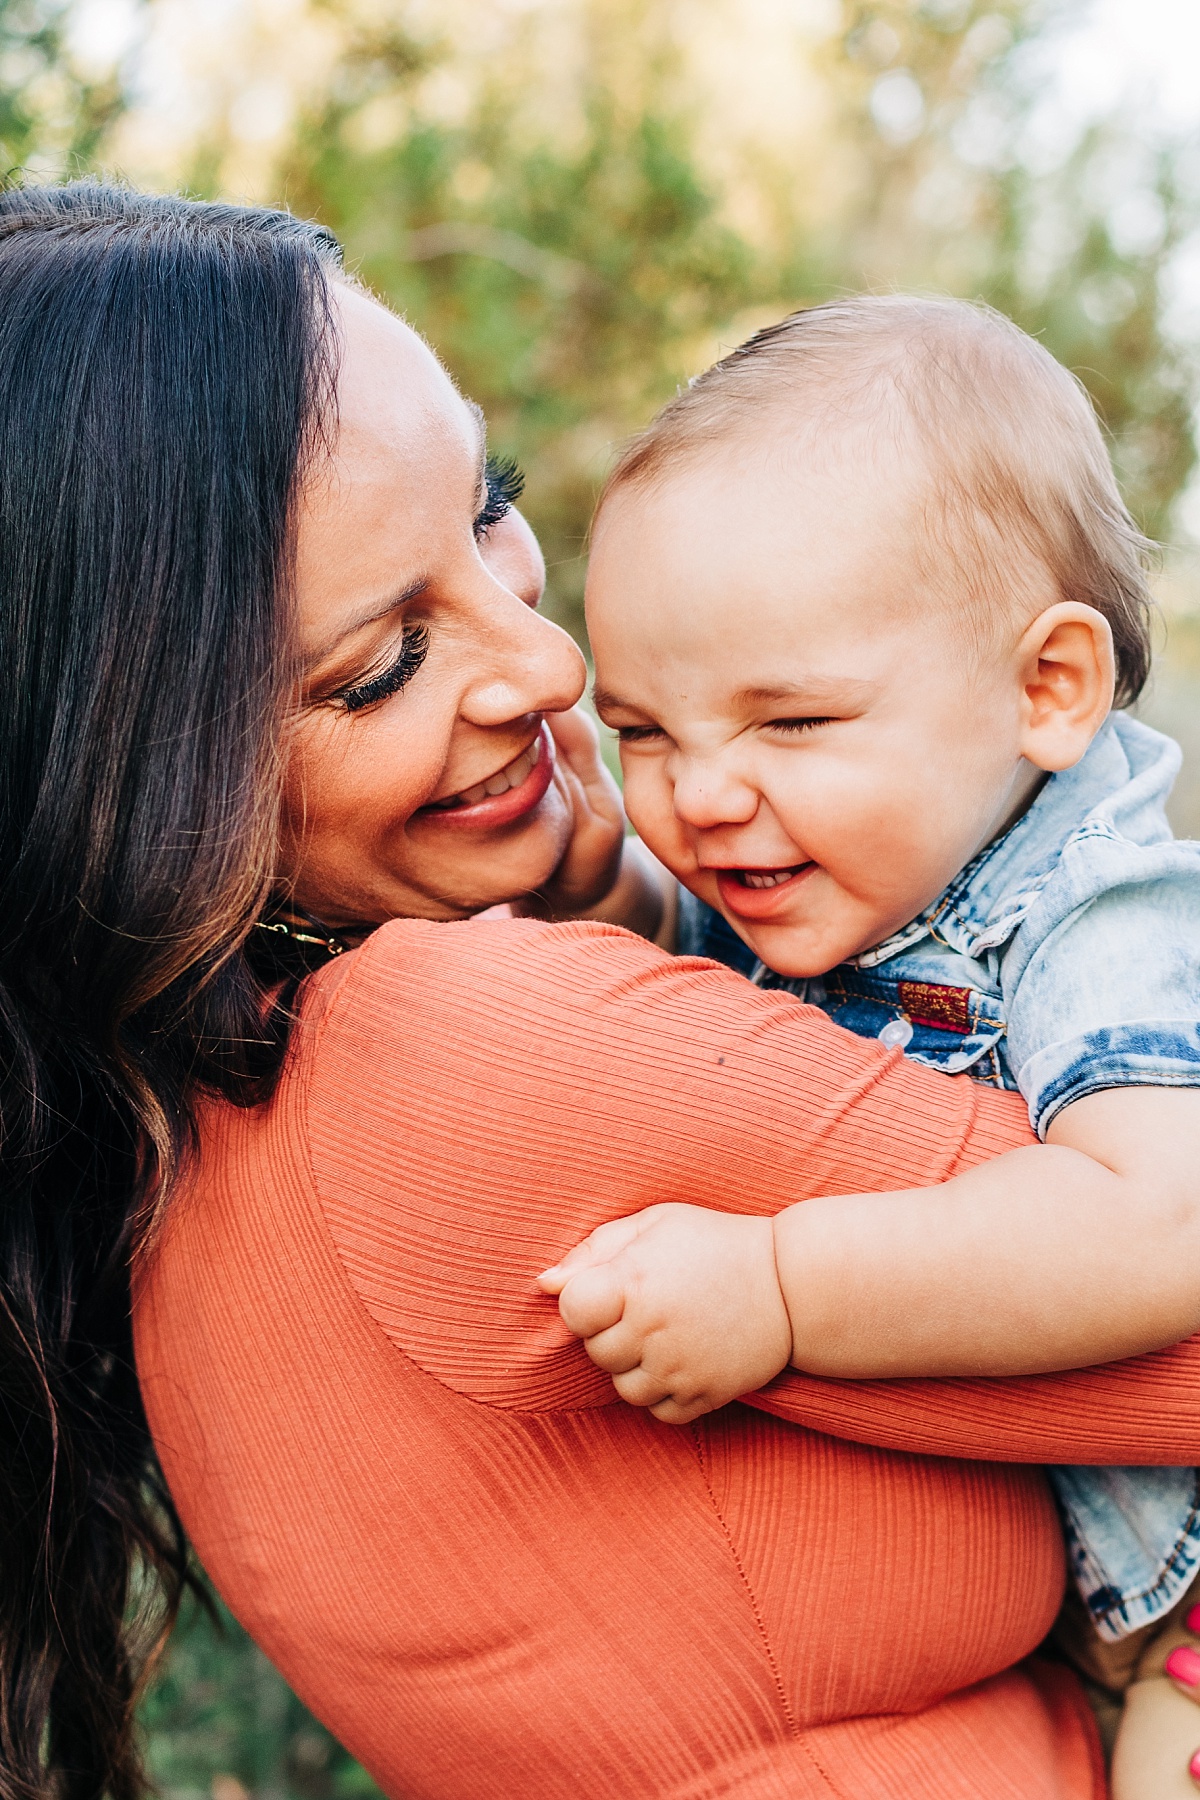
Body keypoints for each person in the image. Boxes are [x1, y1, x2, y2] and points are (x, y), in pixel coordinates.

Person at [5, 182, 1200, 1800]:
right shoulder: (455, 1052)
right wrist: (784, 1290)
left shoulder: (193, 1126)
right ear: (140, 782)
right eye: (379, 663)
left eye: (487, 506)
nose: (556, 670)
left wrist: (610, 884)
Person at [544, 295, 1200, 1796]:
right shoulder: (831, 877)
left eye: (790, 722)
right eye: (645, 730)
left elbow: (1159, 1225)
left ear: (1047, 691)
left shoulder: (1101, 917)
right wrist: (594, 881)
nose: (701, 795)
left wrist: (782, 1287)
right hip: (1027, 1608)